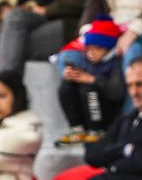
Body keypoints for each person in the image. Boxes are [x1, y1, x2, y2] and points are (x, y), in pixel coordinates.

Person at [54, 15, 126, 147]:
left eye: (97, 48)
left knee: (89, 89)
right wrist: (72, 75)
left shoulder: (117, 63)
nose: (91, 53)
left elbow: (117, 92)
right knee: (66, 86)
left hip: (107, 115)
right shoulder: (87, 61)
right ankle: (77, 129)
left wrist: (93, 79)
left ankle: (97, 130)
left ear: (109, 48)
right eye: (89, 48)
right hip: (87, 113)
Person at [0, 0, 86, 76]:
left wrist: (47, 10)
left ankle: (6, 85)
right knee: (14, 18)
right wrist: (2, 7)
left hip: (68, 21)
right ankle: (5, 85)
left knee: (14, 46)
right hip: (32, 16)